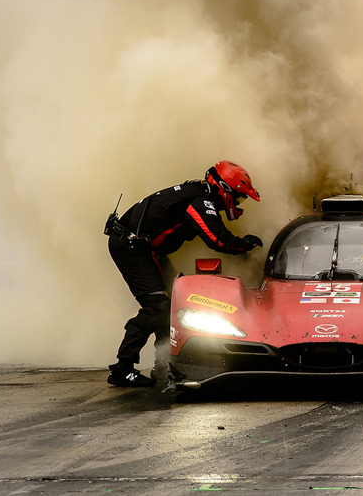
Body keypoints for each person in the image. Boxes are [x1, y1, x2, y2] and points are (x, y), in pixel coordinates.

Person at [104, 161, 263, 387]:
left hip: (142, 245)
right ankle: (122, 369)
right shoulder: (200, 201)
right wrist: (245, 245)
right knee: (157, 306)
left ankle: (163, 365)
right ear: (225, 190)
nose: (238, 202)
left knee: (172, 305)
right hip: (131, 246)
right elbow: (217, 239)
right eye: (238, 196)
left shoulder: (198, 193)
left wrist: (242, 251)